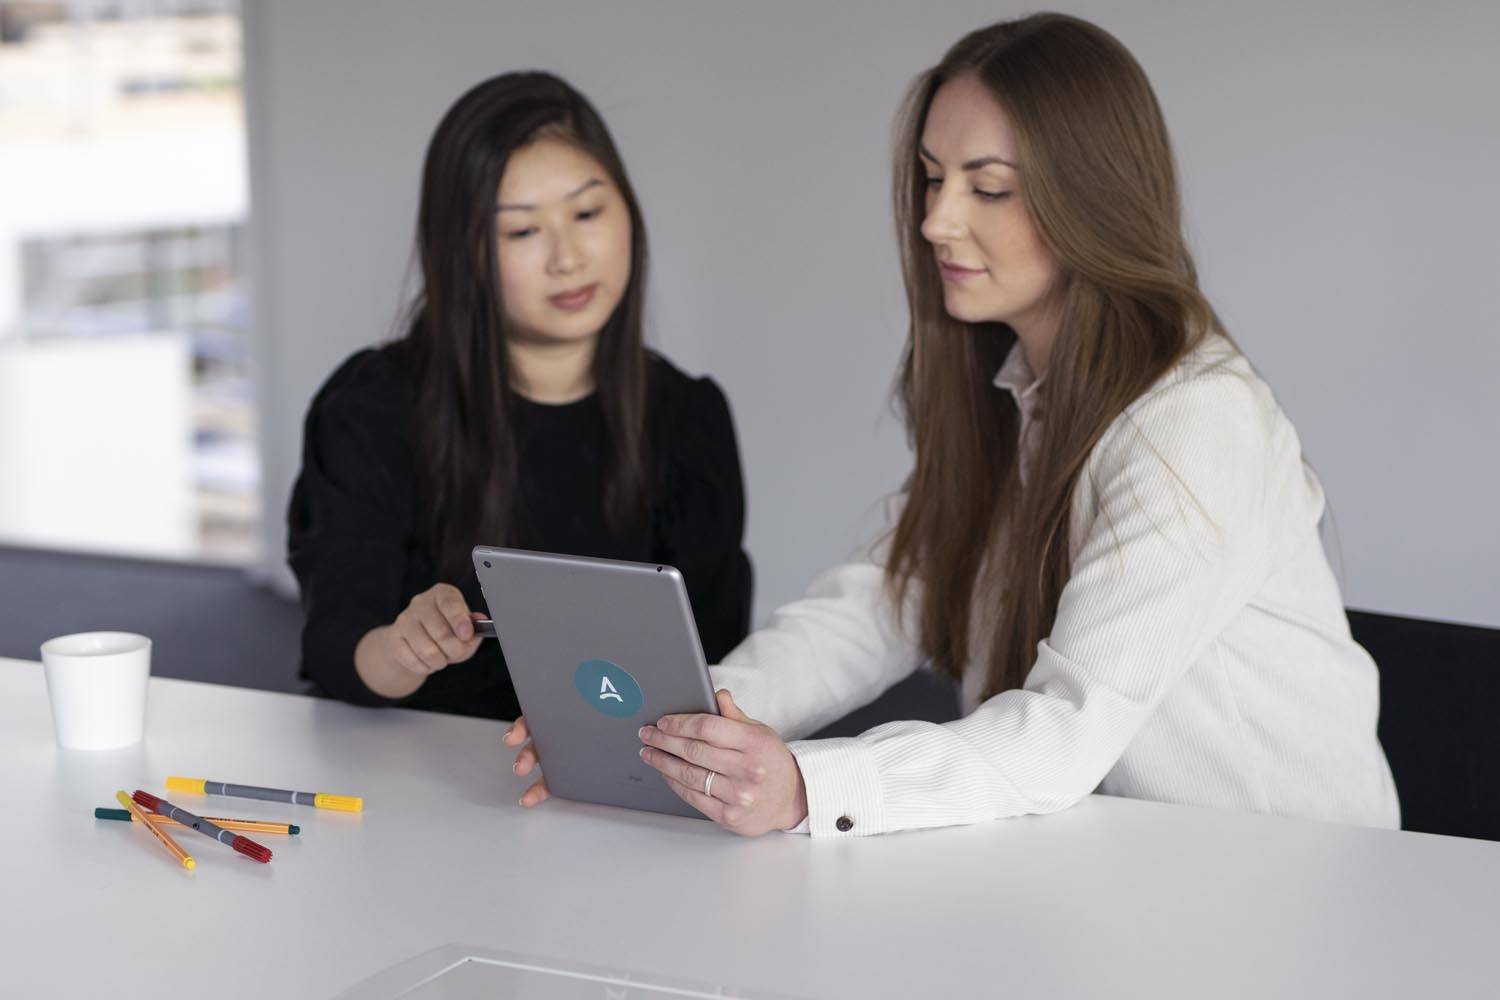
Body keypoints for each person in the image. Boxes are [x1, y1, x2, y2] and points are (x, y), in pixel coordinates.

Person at [505, 14, 1400, 835]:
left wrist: (807, 786)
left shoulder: (1196, 423)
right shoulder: (1021, 394)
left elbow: (1062, 729)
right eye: (934, 178)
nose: (936, 220)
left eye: (989, 188)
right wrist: (672, 729)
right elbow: (876, 604)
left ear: (1093, 199)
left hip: (1284, 887)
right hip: (1114, 869)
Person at [288, 72, 752, 720]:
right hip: (411, 754)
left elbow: (716, 661)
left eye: (587, 214)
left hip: (620, 760)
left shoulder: (688, 418)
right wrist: (403, 650)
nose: (568, 258)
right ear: (461, 252)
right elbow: (337, 649)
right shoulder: (372, 409)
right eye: (521, 232)